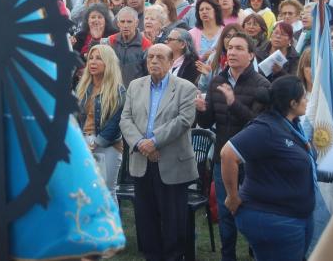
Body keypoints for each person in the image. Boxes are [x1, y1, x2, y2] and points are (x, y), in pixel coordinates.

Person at [220, 75, 315, 261]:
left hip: (295, 216)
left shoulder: (291, 124)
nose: (307, 101)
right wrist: (232, 196)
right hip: (273, 218)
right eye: (304, 97)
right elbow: (227, 154)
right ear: (293, 103)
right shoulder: (266, 127)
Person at [195, 32, 270, 261]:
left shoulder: (262, 85)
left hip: (251, 161)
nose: (233, 52)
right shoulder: (218, 80)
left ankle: (255, 253)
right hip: (222, 157)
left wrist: (233, 103)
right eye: (230, 48)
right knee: (225, 210)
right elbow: (208, 123)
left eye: (239, 48)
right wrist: (202, 110)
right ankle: (228, 256)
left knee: (253, 211)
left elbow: (258, 125)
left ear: (250, 55)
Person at [119, 43, 198, 261]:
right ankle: (152, 256)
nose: (154, 61)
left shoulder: (185, 87)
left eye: (160, 57)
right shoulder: (135, 86)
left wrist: (154, 142)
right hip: (142, 160)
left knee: (173, 218)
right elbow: (126, 119)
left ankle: (173, 256)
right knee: (146, 216)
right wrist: (141, 144)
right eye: (150, 57)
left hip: (172, 162)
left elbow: (184, 121)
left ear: (171, 62)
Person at [75, 45, 126, 201]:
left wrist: (95, 143)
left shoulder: (118, 91)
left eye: (98, 58)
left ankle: (112, 226)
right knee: (85, 191)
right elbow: (76, 117)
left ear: (108, 63)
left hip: (108, 145)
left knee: (106, 192)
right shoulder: (82, 87)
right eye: (91, 58)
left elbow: (116, 122)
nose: (93, 62)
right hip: (83, 142)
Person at [104, 7, 152, 86]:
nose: (125, 25)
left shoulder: (146, 45)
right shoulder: (110, 41)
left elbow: (149, 75)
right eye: (122, 22)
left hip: (136, 93)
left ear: (136, 23)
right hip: (112, 92)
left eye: (129, 22)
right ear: (118, 23)